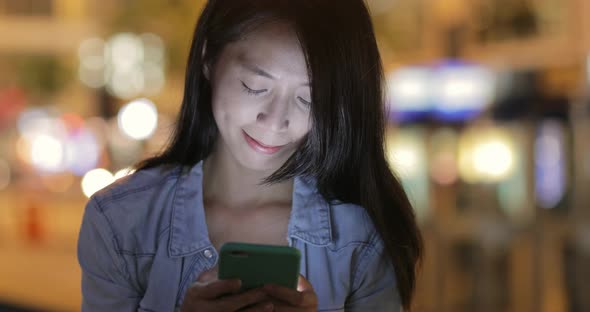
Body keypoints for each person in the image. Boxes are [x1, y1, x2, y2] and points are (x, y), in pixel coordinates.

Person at [77, 0, 423, 311]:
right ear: (209, 58)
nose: (275, 120)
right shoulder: (120, 222)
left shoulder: (358, 237)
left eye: (309, 99)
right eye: (255, 87)